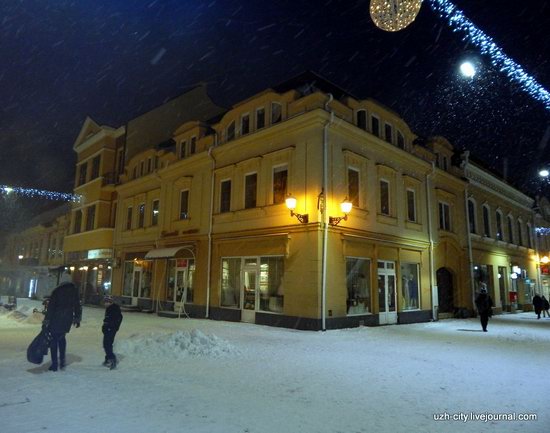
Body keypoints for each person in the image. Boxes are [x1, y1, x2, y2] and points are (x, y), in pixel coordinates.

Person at [43, 282, 82, 371]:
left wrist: (46, 320)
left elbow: (51, 307)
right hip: (67, 319)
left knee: (54, 340)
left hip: (56, 318)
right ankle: (62, 361)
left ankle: (54, 364)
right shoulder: (74, 292)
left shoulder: (57, 291)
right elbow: (77, 306)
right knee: (61, 337)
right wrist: (77, 318)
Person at [102, 295, 123, 370]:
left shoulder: (113, 309)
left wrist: (112, 327)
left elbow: (118, 319)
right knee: (108, 344)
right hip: (109, 329)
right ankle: (108, 359)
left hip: (110, 329)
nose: (105, 303)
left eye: (107, 302)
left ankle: (112, 359)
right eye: (105, 302)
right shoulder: (110, 308)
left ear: (110, 302)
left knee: (106, 344)